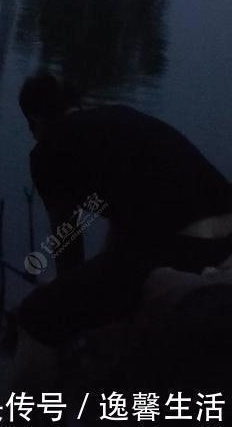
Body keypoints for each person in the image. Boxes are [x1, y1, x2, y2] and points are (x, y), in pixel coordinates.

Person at [15, 72, 232, 348]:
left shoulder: (48, 149)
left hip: (185, 245)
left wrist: (64, 289)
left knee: (37, 314)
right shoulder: (120, 117)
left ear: (35, 120)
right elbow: (124, 226)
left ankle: (51, 383)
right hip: (226, 235)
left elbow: (67, 239)